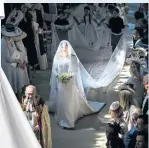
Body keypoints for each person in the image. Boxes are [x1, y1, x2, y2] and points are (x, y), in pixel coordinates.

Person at [49, 40, 105, 129]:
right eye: (62, 47)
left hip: (70, 82)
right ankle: (63, 117)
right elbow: (54, 70)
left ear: (68, 48)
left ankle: (69, 119)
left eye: (65, 47)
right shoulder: (57, 58)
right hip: (60, 82)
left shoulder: (72, 57)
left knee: (69, 100)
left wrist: (68, 77)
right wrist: (59, 77)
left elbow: (75, 71)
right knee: (62, 100)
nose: (64, 49)